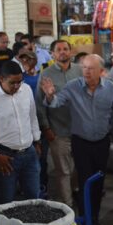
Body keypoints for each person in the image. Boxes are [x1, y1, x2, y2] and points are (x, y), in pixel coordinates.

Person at [41, 54, 113, 225]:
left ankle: (94, 219)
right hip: (81, 144)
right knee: (86, 182)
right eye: (84, 67)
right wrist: (49, 95)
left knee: (99, 184)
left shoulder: (109, 88)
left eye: (91, 68)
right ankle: (87, 223)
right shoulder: (73, 87)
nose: (86, 71)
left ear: (101, 71)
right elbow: (55, 103)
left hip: (102, 143)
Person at [0, 62, 41, 206]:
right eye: (12, 83)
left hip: (29, 152)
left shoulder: (27, 90)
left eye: (19, 82)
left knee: (34, 196)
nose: (17, 86)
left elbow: (32, 116)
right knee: (6, 200)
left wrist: (36, 141)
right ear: (1, 79)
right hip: (6, 157)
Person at [36, 40, 82, 209]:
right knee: (63, 171)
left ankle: (76, 195)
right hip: (58, 131)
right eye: (58, 50)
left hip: (79, 130)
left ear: (70, 52)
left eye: (65, 49)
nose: (62, 52)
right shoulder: (46, 74)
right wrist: (46, 127)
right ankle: (68, 208)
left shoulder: (79, 70)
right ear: (53, 54)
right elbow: (39, 104)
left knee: (77, 169)